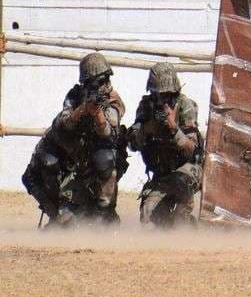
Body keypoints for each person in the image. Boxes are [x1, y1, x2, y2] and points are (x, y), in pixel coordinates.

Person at [22, 52, 128, 227]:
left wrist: (97, 114)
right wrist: (82, 110)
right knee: (65, 222)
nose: (100, 86)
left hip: (98, 164)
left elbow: (108, 133)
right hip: (75, 162)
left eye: (103, 81)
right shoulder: (75, 95)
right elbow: (62, 123)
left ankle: (105, 215)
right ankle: (58, 214)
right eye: (94, 83)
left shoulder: (113, 99)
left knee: (106, 158)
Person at [128, 62, 203, 227]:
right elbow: (132, 144)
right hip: (162, 175)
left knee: (179, 218)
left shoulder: (185, 106)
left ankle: (186, 220)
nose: (163, 101)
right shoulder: (146, 107)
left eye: (168, 96)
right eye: (158, 96)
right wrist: (147, 129)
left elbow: (193, 152)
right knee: (149, 215)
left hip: (187, 171)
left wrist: (174, 130)